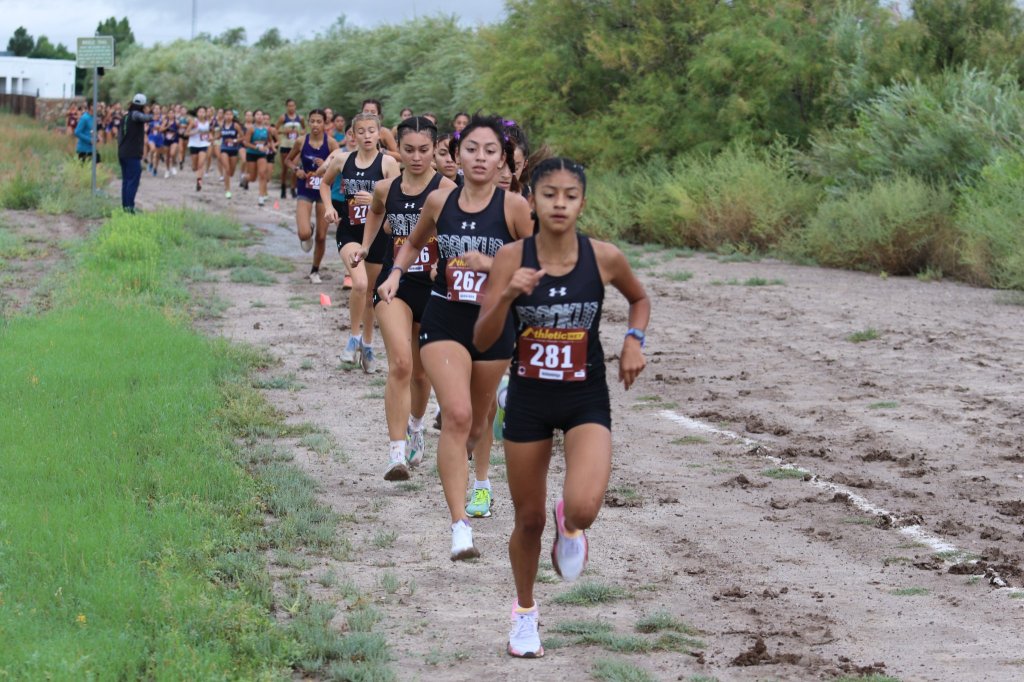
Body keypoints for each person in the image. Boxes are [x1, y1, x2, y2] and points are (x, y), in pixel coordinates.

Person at [472, 157, 649, 658]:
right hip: (529, 398)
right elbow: (482, 336)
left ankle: (569, 523)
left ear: (582, 203)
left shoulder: (603, 257)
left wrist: (633, 341)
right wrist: (507, 295)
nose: (559, 204)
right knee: (527, 520)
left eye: (570, 196)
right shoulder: (512, 257)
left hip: (584, 396)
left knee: (585, 508)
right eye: (550, 194)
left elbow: (639, 300)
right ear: (532, 200)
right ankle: (525, 614)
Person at [377, 114, 533, 560]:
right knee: (458, 415)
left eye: (490, 151)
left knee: (478, 424)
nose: (480, 158)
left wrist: (494, 266)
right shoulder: (439, 201)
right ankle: (459, 525)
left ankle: (467, 469)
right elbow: (412, 243)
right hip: (444, 319)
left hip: (493, 325)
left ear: (502, 160)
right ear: (457, 154)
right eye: (471, 149)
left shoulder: (513, 208)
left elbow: (540, 264)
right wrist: (395, 273)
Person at [352, 116, 456, 480]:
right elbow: (376, 212)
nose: (416, 157)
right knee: (400, 363)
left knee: (422, 372)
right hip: (394, 284)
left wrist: (447, 263)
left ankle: (415, 426)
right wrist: (366, 246)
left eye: (424, 150)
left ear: (435, 149)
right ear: (398, 148)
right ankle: (395, 453)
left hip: (434, 287)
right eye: (408, 149)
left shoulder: (447, 189)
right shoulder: (386, 188)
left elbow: (458, 231)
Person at [320, 112, 401, 370]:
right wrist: (328, 207)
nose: (367, 136)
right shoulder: (343, 160)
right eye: (361, 131)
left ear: (379, 133)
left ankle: (367, 345)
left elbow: (399, 200)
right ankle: (353, 339)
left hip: (378, 236)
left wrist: (377, 200)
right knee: (360, 283)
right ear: (353, 135)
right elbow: (324, 183)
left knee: (370, 294)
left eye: (371, 131)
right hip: (350, 232)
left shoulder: (388, 163)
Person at [286, 109, 338, 283]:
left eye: (319, 121)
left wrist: (327, 165)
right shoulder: (301, 141)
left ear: (325, 123)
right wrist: (297, 170)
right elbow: (288, 160)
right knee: (303, 234)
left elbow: (341, 165)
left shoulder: (331, 143)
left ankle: (315, 270)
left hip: (324, 191)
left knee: (322, 237)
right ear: (308, 122)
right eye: (312, 121)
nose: (315, 125)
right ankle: (309, 228)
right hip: (305, 188)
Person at [118, 93, 154, 213]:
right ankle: (130, 208)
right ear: (143, 106)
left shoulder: (125, 116)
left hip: (122, 152)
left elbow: (119, 136)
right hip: (132, 153)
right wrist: (153, 115)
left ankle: (125, 207)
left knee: (126, 181)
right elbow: (144, 118)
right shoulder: (135, 114)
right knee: (133, 181)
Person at [243, 109, 274, 206]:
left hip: (262, 154)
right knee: (252, 178)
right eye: (257, 114)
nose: (260, 116)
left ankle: (261, 197)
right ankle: (245, 178)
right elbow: (246, 143)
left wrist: (267, 146)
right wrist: (256, 147)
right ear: (254, 117)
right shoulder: (251, 129)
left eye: (261, 115)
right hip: (251, 153)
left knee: (262, 174)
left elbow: (270, 141)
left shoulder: (267, 129)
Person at [277, 99, 305, 200]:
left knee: (295, 167)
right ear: (286, 107)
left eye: (293, 105)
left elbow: (304, 129)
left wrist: (301, 133)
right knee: (285, 168)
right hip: (285, 145)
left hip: (296, 146)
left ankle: (293, 188)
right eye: (289, 106)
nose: (291, 108)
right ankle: (283, 188)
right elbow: (276, 129)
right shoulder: (283, 117)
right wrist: (284, 132)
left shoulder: (300, 118)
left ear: (295, 106)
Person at [185, 106, 213, 191]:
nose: (201, 114)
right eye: (200, 112)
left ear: (206, 113)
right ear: (197, 113)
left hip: (204, 144)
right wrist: (195, 132)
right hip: (194, 145)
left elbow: (210, 132)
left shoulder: (208, 122)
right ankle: (196, 172)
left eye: (203, 112)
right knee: (195, 167)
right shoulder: (194, 122)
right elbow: (186, 133)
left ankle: (199, 181)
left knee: (201, 164)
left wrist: (210, 136)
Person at [218, 109, 244, 199]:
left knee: (231, 172)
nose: (228, 116)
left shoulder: (236, 125)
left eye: (230, 114)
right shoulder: (222, 125)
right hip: (224, 148)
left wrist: (234, 140)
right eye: (227, 114)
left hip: (233, 149)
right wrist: (212, 138)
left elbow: (243, 137)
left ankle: (228, 183)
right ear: (224, 115)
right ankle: (227, 190)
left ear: (233, 116)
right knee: (227, 169)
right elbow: (219, 135)